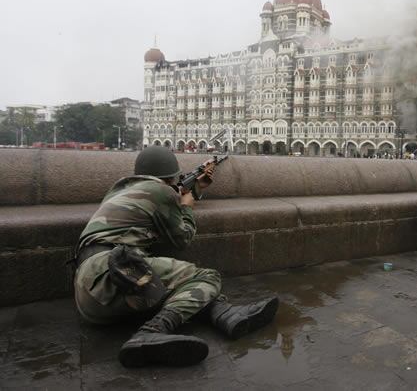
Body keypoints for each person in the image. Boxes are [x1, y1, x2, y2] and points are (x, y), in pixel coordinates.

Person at [74, 146, 279, 368]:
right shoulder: (161, 191)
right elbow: (182, 238)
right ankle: (152, 331)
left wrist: (196, 188)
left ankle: (226, 314)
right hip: (113, 273)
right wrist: (188, 207)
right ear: (170, 175)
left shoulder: (120, 190)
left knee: (180, 288)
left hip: (93, 293)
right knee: (207, 277)